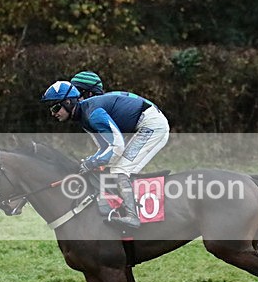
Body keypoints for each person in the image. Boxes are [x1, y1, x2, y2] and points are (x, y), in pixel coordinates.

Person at [40, 80, 170, 228]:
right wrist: (91, 161)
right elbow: (104, 148)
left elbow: (117, 146)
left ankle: (132, 216)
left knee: (120, 170)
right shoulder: (83, 116)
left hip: (152, 126)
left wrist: (92, 162)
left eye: (56, 107)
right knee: (112, 167)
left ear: (68, 102)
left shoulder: (93, 114)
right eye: (51, 109)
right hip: (145, 123)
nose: (53, 113)